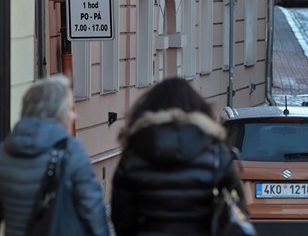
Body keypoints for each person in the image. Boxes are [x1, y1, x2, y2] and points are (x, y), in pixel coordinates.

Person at [111, 77, 243, 236]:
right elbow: (237, 204)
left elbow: (121, 216)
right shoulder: (214, 150)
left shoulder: (135, 152)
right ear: (198, 109)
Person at [0, 75, 110, 236]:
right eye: (71, 109)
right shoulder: (71, 150)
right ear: (57, 112)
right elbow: (92, 209)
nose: (75, 116)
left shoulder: (4, 151)